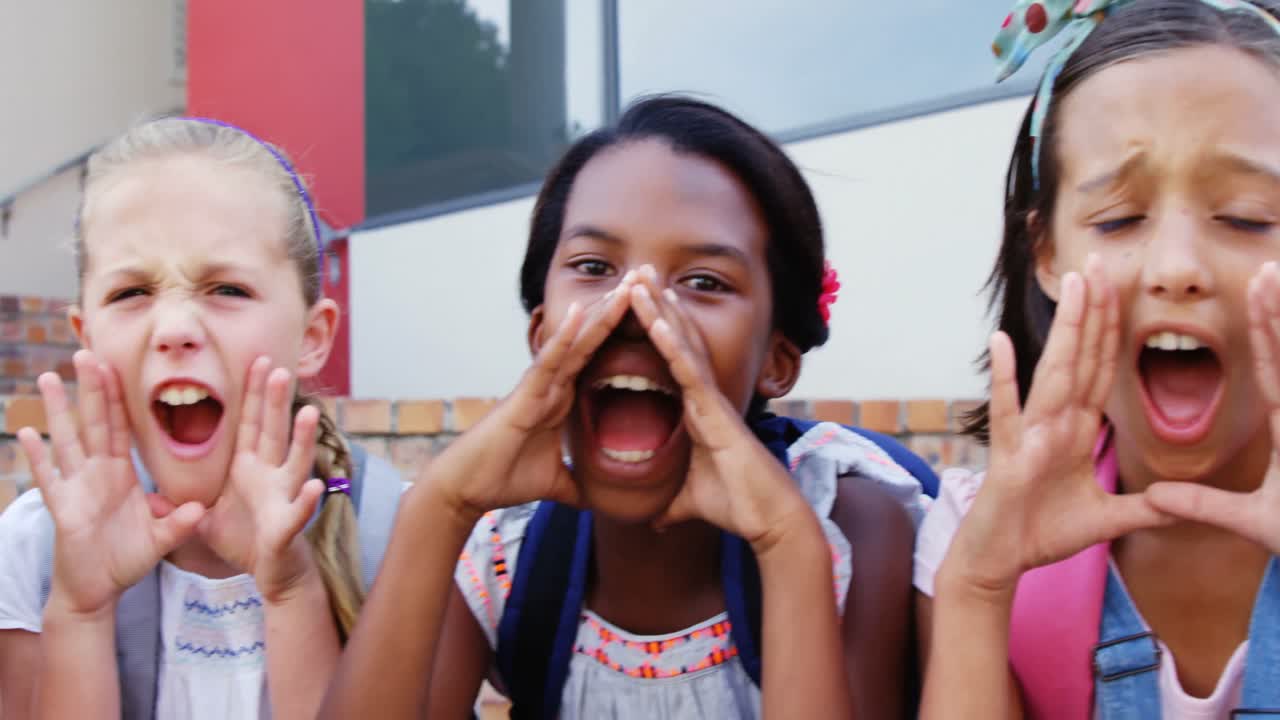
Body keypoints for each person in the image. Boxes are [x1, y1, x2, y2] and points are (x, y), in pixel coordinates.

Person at [321, 96, 935, 719]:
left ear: (777, 359)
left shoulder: (846, 526)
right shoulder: (503, 555)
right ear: (540, 334)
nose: (637, 310)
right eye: (594, 267)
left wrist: (786, 547)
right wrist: (439, 506)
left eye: (703, 281)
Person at [915, 1, 1280, 716]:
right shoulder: (972, 535)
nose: (1177, 269)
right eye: (1118, 219)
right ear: (1046, 255)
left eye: (1246, 216)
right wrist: (979, 588)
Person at [0, 118, 404, 720]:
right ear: (85, 337)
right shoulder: (36, 544)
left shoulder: (395, 536)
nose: (176, 330)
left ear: (312, 337)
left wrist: (292, 590)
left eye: (227, 289)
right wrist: (81, 609)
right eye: (131, 292)